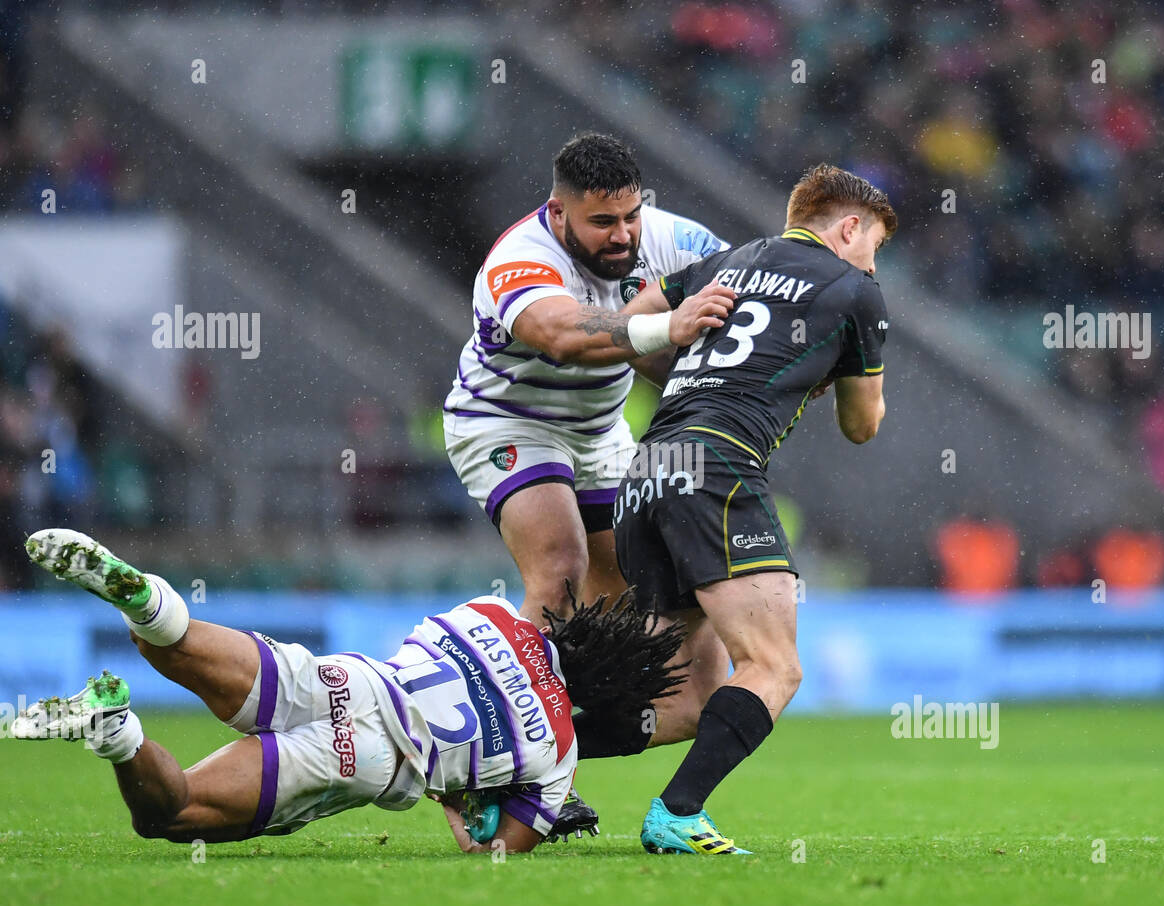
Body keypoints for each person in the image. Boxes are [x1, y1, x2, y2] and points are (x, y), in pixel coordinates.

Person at [13, 529, 685, 853]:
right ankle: (117, 732)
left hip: (349, 680)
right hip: (365, 756)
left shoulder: (495, 613)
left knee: (174, 642)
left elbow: (430, 646)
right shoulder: (560, 757)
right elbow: (493, 855)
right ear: (609, 699)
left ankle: (143, 597)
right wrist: (462, 800)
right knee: (171, 814)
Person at [442, 131, 730, 837]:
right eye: (603, 221)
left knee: (663, 653)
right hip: (506, 422)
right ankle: (532, 775)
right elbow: (567, 334)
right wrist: (667, 325)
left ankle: (475, 756)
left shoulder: (668, 238)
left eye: (630, 215)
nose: (622, 234)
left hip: (601, 434)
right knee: (561, 566)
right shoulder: (518, 261)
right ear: (559, 212)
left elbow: (747, 282)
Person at [603, 164, 897, 854]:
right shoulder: (856, 291)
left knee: (679, 703)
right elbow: (863, 425)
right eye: (874, 245)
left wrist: (688, 356)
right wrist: (830, 371)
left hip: (649, 469)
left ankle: (507, 764)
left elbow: (624, 329)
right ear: (848, 227)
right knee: (774, 666)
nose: (873, 262)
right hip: (717, 464)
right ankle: (677, 812)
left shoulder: (723, 262)